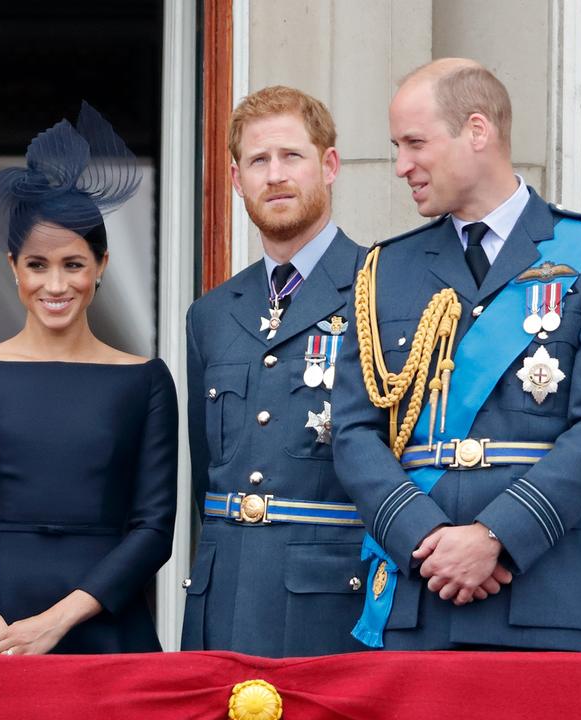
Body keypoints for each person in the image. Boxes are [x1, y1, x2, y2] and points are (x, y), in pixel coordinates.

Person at [331, 59, 581, 651]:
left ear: (476, 131)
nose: (402, 165)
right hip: (417, 590)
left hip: (548, 594)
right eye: (396, 146)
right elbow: (353, 431)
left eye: (414, 143)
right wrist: (424, 537)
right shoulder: (384, 269)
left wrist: (495, 535)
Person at [0, 103, 177, 655]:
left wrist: (56, 623)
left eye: (73, 263)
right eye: (38, 265)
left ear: (101, 265)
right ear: (12, 266)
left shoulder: (146, 381)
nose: (55, 284)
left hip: (104, 626)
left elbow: (154, 529)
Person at [180, 85, 370, 657]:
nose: (275, 175)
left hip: (333, 602)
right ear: (237, 180)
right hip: (224, 596)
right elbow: (205, 473)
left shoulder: (380, 289)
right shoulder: (211, 313)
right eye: (258, 161)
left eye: (292, 156)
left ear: (329, 165)